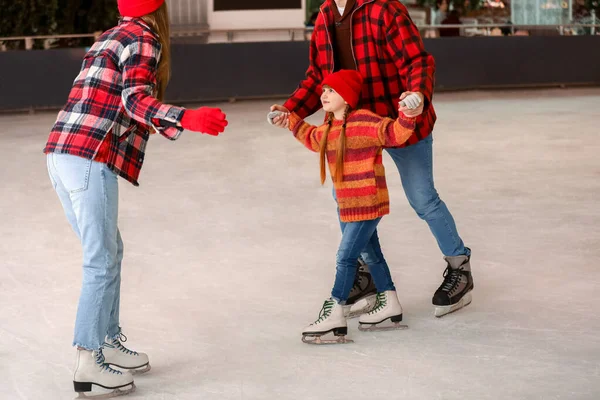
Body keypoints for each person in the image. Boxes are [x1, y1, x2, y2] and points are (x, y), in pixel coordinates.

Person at [43, 0, 228, 397]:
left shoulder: (108, 37)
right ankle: (89, 360)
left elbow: (106, 101)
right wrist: (185, 117)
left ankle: (107, 340)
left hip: (61, 153)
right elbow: (134, 99)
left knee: (110, 253)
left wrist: (159, 123)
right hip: (89, 156)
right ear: (159, 9)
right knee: (101, 260)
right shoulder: (144, 37)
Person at [270, 0, 474, 319]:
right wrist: (290, 109)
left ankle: (459, 269)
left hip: (400, 119)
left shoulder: (384, 9)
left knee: (423, 198)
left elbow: (416, 62)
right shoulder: (324, 15)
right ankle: (365, 278)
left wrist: (417, 95)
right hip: (351, 130)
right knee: (349, 202)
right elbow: (317, 78)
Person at [279, 69, 416, 344]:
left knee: (345, 257)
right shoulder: (329, 129)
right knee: (371, 254)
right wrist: (289, 120)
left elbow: (394, 133)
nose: (324, 94)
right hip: (347, 205)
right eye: (324, 90)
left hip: (368, 202)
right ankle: (390, 304)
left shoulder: (364, 122)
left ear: (347, 96)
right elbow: (311, 137)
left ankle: (336, 312)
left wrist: (408, 113)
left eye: (330, 90)